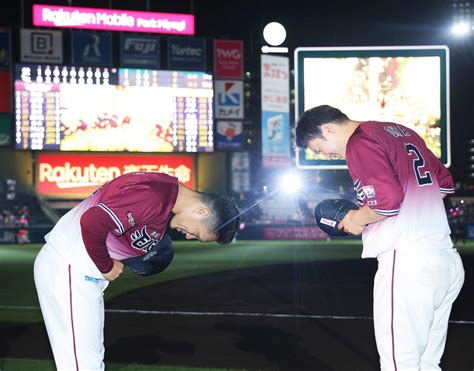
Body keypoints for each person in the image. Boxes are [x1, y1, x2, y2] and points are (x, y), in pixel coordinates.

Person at [295, 105, 464, 371]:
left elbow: (387, 202)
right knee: (428, 364)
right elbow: (444, 184)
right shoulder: (401, 131)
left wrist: (354, 219)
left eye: (319, 148)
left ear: (328, 128)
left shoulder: (359, 141)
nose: (325, 155)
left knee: (401, 365)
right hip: (445, 258)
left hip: (408, 261)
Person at [33, 171, 240, 370]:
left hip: (76, 270)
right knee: (83, 366)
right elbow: (93, 220)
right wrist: (106, 265)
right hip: (70, 267)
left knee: (88, 362)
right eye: (198, 234)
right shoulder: (155, 196)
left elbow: (115, 228)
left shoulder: (164, 193)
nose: (190, 237)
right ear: (201, 211)